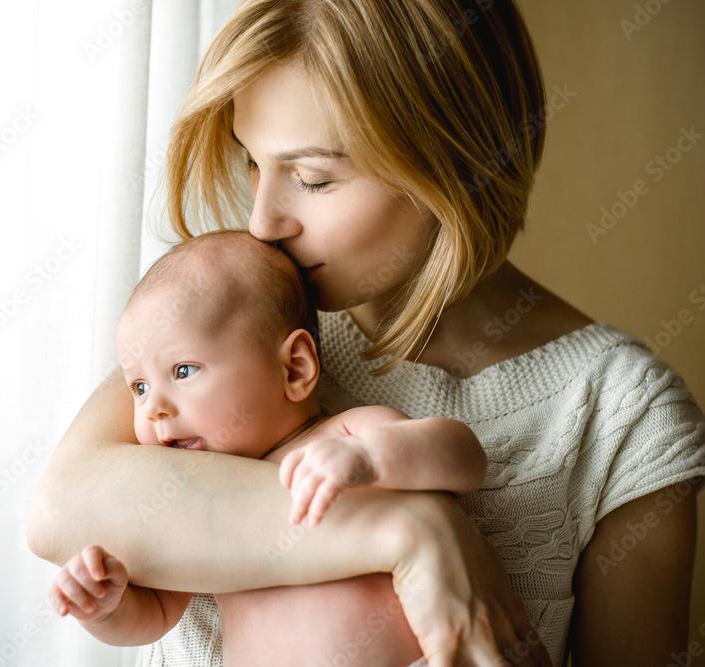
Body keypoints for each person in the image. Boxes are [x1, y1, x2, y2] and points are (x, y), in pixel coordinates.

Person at [27, 1, 705, 665]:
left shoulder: (620, 413)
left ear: (455, 160)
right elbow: (60, 513)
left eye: (312, 177)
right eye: (253, 162)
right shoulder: (227, 328)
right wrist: (417, 534)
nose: (263, 222)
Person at [48, 230, 489, 666]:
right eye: (139, 387)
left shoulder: (344, 438)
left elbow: (466, 458)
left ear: (294, 368)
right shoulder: (194, 504)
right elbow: (158, 614)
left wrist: (371, 458)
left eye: (183, 370)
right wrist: (105, 607)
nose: (153, 409)